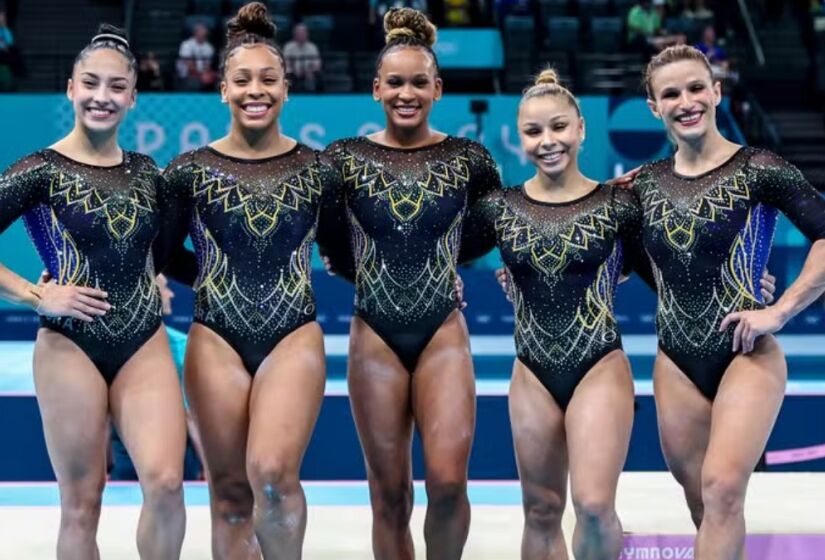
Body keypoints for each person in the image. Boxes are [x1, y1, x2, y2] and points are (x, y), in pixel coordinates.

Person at [320, 8, 502, 559]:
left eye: (419, 82)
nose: (407, 93)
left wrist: (444, 261)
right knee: (390, 497)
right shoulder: (345, 160)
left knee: (448, 484)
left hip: (442, 328)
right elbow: (327, 235)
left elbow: (492, 229)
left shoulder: (468, 159)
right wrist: (358, 267)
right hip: (373, 332)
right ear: (376, 88)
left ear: (438, 89)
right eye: (395, 82)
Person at [0, 24, 187, 559]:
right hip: (69, 344)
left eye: (115, 87)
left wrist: (152, 272)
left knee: (167, 485)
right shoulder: (40, 170)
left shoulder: (150, 173)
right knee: (83, 503)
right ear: (70, 88)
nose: (101, 97)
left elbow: (169, 251)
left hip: (143, 342)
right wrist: (37, 297)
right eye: (91, 84)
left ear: (133, 95)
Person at [156, 3, 336, 558]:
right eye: (242, 80)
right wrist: (214, 274)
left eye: (267, 79)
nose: (255, 90)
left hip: (293, 334)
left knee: (273, 474)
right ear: (222, 91)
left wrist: (444, 267)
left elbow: (352, 248)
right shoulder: (188, 170)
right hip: (216, 336)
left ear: (287, 88)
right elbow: (159, 253)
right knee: (230, 492)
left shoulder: (318, 169)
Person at [637, 45, 825, 558]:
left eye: (696, 87)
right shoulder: (644, 185)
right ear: (654, 107)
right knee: (703, 502)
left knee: (722, 489)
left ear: (717, 91)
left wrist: (779, 310)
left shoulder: (760, 169)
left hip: (746, 354)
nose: (686, 101)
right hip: (675, 361)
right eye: (670, 93)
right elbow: (596, 239)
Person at [468, 69, 655, 560]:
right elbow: (433, 245)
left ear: (581, 128)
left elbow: (671, 268)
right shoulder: (499, 208)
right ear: (520, 138)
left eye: (558, 127)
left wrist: (746, 286)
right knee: (540, 510)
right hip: (531, 370)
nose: (547, 141)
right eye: (534, 132)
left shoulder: (619, 204)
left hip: (599, 365)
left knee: (593, 505)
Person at [283, 23, 322, 92]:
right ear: (294, 34)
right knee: (286, 73)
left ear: (307, 34)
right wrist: (294, 70)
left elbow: (317, 64)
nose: (301, 35)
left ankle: (311, 94)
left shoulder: (312, 47)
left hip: (308, 72)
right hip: (292, 72)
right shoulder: (288, 46)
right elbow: (285, 62)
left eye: (303, 33)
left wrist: (309, 70)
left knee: (315, 76)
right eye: (298, 33)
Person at [177, 22, 216, 91]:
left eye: (204, 34)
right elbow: (189, 65)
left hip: (201, 73)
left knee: (214, 76)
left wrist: (206, 73)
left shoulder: (209, 47)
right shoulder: (186, 44)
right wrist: (200, 75)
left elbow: (207, 66)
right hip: (186, 73)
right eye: (200, 33)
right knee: (199, 79)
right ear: (195, 33)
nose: (202, 35)